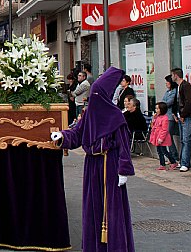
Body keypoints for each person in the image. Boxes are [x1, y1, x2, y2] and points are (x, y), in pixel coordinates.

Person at [50, 67, 135, 252]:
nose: (93, 97)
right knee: (93, 206)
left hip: (110, 164)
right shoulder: (89, 114)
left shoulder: (115, 117)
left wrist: (124, 169)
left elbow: (123, 145)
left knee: (111, 209)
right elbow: (78, 133)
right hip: (92, 165)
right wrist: (62, 137)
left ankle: (115, 247)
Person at [171, 68, 191, 172]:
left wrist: (183, 114)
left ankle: (185, 163)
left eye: (172, 75)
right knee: (182, 140)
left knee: (186, 140)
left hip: (186, 117)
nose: (171, 77)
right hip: (180, 115)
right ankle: (182, 161)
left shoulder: (186, 86)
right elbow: (177, 103)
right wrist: (175, 114)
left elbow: (189, 102)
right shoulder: (179, 87)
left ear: (176, 75)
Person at [150, 102, 178, 170]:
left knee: (164, 151)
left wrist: (161, 138)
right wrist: (153, 119)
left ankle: (173, 162)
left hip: (162, 138)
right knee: (159, 151)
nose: (156, 110)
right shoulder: (157, 117)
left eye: (157, 109)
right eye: (156, 108)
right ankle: (162, 164)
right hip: (156, 136)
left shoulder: (165, 118)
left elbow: (164, 130)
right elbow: (153, 126)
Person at [162, 75, 180, 163]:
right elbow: (162, 102)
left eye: (167, 82)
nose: (166, 84)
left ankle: (174, 156)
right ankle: (171, 156)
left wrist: (163, 105)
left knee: (168, 136)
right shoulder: (167, 92)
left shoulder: (174, 92)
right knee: (167, 137)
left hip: (171, 117)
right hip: (165, 116)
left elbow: (168, 103)